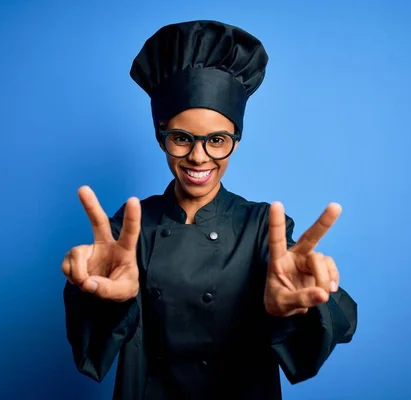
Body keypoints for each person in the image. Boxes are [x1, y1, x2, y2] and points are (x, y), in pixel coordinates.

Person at [62, 20, 357, 399]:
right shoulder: (131, 227)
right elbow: (94, 342)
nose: (198, 157)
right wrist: (106, 300)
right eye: (181, 138)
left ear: (236, 139)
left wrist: (295, 310)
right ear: (161, 136)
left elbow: (334, 322)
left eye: (217, 140)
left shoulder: (262, 226)